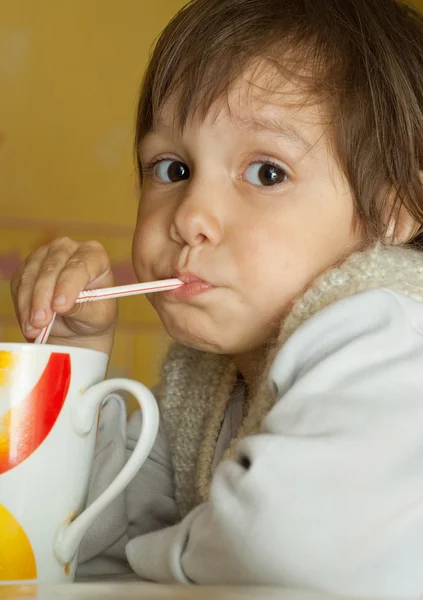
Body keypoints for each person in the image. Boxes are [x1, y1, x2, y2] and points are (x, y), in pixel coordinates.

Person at [10, 0, 423, 594]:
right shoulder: (203, 382)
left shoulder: (387, 334)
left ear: (390, 211)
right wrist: (78, 362)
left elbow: (284, 544)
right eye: (173, 169)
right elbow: (81, 541)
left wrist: (154, 554)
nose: (191, 216)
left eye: (267, 174)